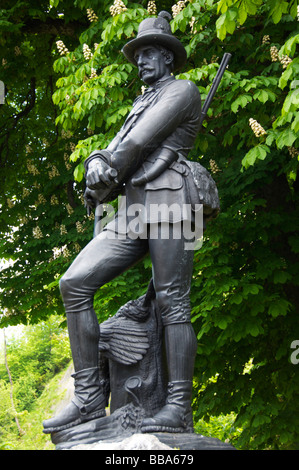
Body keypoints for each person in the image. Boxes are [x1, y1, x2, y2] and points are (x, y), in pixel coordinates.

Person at [43, 11, 204, 434]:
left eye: (150, 53)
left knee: (173, 303)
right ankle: (89, 399)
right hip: (132, 209)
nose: (141, 61)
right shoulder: (140, 100)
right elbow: (114, 146)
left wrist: (106, 165)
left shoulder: (182, 90)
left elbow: (135, 142)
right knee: (74, 283)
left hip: (171, 202)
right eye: (138, 55)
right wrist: (96, 166)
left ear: (169, 58)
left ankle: (178, 407)